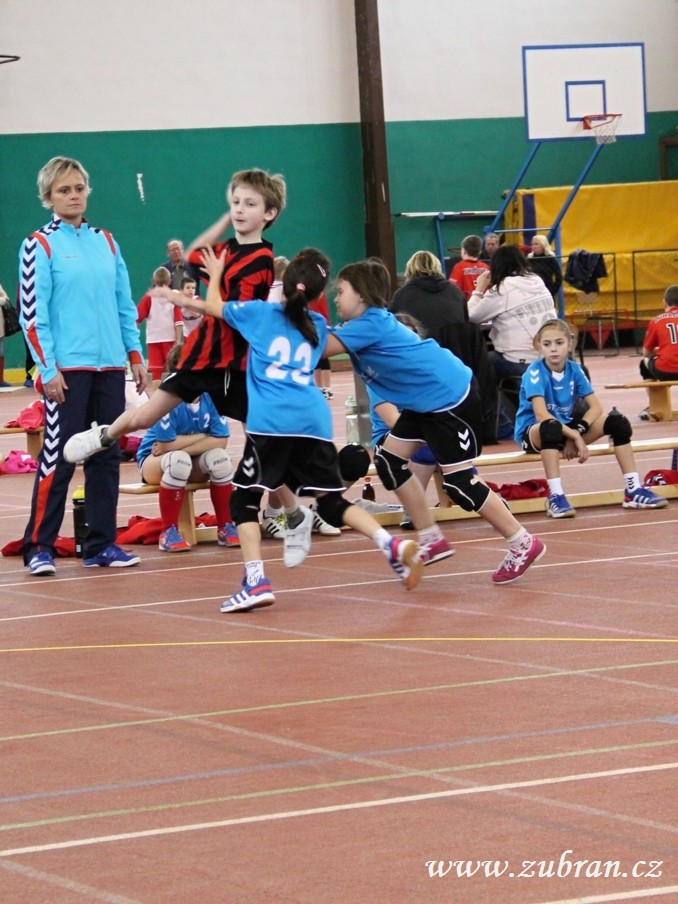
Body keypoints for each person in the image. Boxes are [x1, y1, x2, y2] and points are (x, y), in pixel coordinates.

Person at [201, 245, 423, 611]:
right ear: (319, 293)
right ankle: (391, 544)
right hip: (314, 420)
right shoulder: (317, 325)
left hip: (273, 420)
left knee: (243, 500)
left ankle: (256, 581)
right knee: (331, 502)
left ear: (283, 283)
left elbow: (212, 306)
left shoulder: (260, 314)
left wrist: (214, 276)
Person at [325, 259, 546, 585]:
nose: (335, 298)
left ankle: (523, 542)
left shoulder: (370, 323)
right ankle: (431, 538)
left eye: (340, 291)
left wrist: (290, 313)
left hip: (450, 398)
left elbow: (318, 348)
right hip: (425, 402)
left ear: (360, 295)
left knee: (460, 482)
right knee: (389, 461)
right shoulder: (360, 325)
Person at [18, 155, 147, 576]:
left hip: (109, 367)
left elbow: (124, 304)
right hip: (66, 371)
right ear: (48, 197)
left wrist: (134, 355)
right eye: (64, 190)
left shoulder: (106, 242)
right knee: (59, 458)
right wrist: (47, 369)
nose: (73, 196)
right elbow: (33, 315)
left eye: (78, 188)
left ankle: (101, 544)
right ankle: (39, 546)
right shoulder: (39, 245)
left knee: (106, 456)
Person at [513, 319, 667, 518]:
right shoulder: (534, 372)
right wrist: (575, 436)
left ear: (570, 343)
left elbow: (596, 407)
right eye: (547, 344)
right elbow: (541, 414)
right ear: (539, 346)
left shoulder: (575, 370)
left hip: (566, 429)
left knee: (617, 421)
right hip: (534, 432)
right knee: (550, 426)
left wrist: (578, 430)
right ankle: (556, 496)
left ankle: (633, 490)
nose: (553, 349)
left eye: (559, 343)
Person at [136, 345, 237, 551]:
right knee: (178, 461)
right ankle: (168, 532)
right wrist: (205, 437)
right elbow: (166, 446)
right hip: (153, 462)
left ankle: (226, 527)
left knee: (220, 459)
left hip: (190, 459)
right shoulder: (167, 397)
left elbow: (221, 442)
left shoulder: (213, 395)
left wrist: (184, 444)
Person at [468, 243, 557, 437]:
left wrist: (479, 289)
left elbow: (471, 316)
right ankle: (522, 414)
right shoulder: (537, 280)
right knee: (501, 362)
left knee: (482, 363)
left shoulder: (501, 289)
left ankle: (500, 426)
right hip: (551, 358)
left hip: (520, 362)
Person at [389, 250, 467, 342]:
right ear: (438, 268)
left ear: (410, 269)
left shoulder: (401, 295)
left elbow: (390, 326)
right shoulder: (456, 292)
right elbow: (465, 322)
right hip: (454, 348)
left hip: (418, 348)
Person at [136, 266, 184, 382]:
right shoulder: (174, 297)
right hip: (171, 340)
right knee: (173, 371)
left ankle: (156, 393)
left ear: (153, 281)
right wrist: (178, 341)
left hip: (154, 340)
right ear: (170, 281)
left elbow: (137, 320)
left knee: (156, 374)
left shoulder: (148, 298)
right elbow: (178, 323)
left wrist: (133, 340)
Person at [638, 285, 678, 419]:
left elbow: (646, 352)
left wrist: (661, 351)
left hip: (666, 369)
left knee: (644, 364)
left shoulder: (657, 320)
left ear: (664, 302)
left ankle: (655, 406)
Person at [448, 235, 490, 301]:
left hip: (467, 305)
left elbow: (452, 291)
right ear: (480, 251)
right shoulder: (486, 268)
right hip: (484, 304)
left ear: (464, 251)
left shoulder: (459, 267)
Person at [527, 234, 563, 302]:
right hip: (533, 293)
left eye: (536, 244)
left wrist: (553, 290)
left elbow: (559, 276)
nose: (533, 246)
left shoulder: (550, 258)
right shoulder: (529, 258)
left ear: (543, 245)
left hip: (547, 291)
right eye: (532, 244)